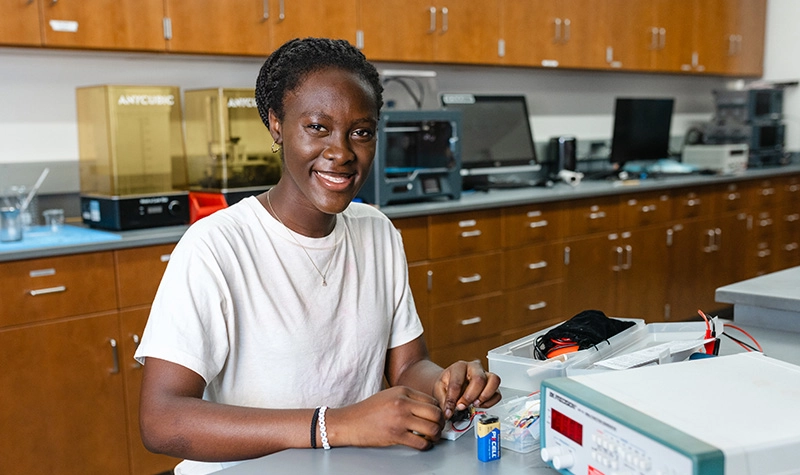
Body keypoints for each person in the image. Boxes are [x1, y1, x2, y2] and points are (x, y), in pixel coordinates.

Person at [135, 37, 502, 474]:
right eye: (317, 127)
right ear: (276, 125)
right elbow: (161, 420)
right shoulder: (216, 247)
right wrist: (334, 425)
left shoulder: (377, 232)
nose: (342, 153)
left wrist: (446, 385)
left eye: (360, 132)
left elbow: (407, 367)